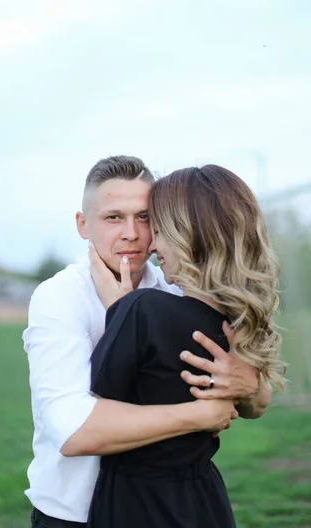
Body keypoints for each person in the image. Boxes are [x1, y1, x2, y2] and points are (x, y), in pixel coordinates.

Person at [23, 156, 265, 528]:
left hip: (167, 505)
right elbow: (73, 431)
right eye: (113, 217)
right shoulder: (59, 296)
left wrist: (247, 384)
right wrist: (199, 416)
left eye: (144, 217)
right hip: (75, 513)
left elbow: (257, 403)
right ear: (83, 225)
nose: (132, 233)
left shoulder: (177, 284)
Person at [80, 164, 286, 528]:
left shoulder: (142, 309)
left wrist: (121, 312)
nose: (153, 244)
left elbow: (87, 424)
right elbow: (257, 405)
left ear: (188, 235)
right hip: (207, 502)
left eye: (157, 228)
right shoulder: (241, 318)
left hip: (138, 505)